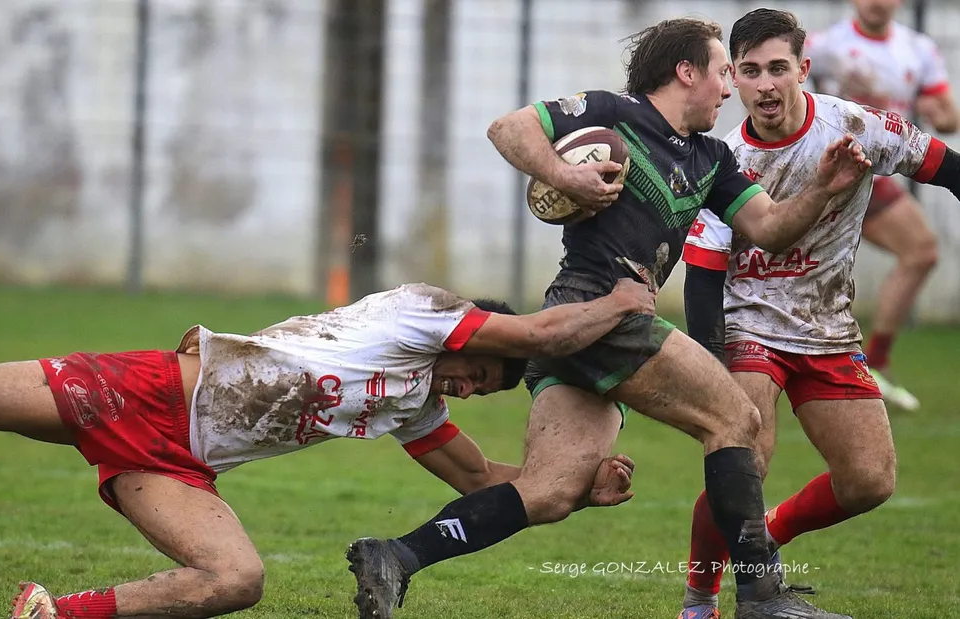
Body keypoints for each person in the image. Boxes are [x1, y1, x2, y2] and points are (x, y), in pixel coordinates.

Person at [346, 16, 872, 619]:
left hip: (578, 327)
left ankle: (396, 557)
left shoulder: (712, 158)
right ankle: (761, 596)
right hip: (596, 304)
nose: (731, 89)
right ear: (687, 72)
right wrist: (564, 175)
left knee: (549, 491)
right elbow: (509, 128)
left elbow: (771, 228)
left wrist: (825, 188)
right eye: (725, 73)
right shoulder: (613, 112)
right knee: (737, 419)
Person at [0, 280, 652, 619]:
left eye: (482, 387)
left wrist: (577, 485)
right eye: (479, 371)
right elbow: (543, 333)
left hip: (177, 461)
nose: (471, 387)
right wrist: (622, 301)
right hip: (148, 391)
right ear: (471, 333)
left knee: (236, 579)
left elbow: (481, 477)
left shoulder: (416, 400)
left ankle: (51, 612)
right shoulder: (423, 313)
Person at [679, 8, 960, 619]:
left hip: (828, 326)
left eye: (778, 68)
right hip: (747, 324)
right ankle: (698, 600)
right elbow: (701, 277)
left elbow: (945, 167)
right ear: (734, 77)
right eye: (749, 71)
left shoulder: (854, 125)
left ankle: (765, 536)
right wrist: (709, 366)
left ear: (803, 69)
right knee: (742, 457)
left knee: (869, 481)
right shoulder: (722, 164)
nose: (765, 85)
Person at [804, 0, 959, 410]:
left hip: (886, 168)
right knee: (920, 250)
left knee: (919, 252)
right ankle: (869, 362)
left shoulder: (918, 49)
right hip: (841, 163)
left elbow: (948, 118)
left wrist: (936, 113)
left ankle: (863, 361)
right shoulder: (824, 45)